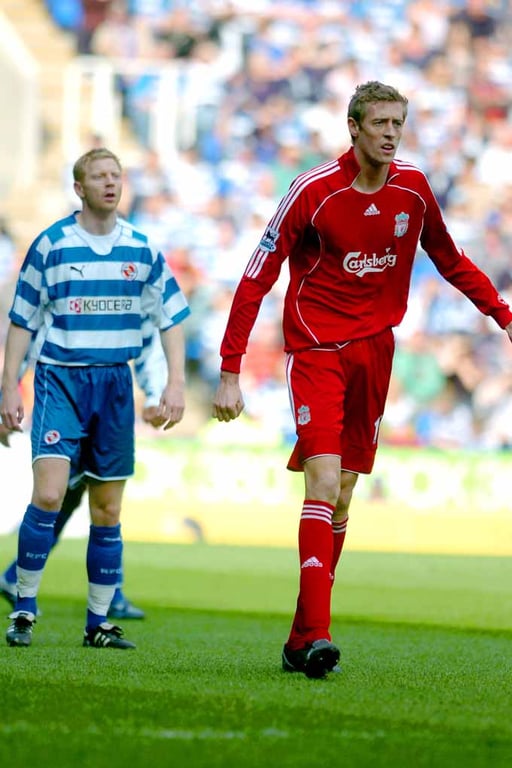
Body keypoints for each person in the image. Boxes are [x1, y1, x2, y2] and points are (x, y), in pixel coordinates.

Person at [212, 81, 512, 679]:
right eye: (379, 122)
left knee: (345, 491)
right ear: (353, 126)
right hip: (317, 348)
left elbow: (449, 260)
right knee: (323, 478)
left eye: (398, 122)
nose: (391, 133)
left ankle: (300, 637)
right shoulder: (313, 191)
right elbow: (256, 276)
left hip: (376, 352)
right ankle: (320, 634)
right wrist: (229, 369)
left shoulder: (415, 190)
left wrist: (503, 315)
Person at [0, 147, 190, 650]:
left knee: (107, 509)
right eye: (98, 177)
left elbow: (171, 317)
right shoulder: (51, 245)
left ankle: (98, 624)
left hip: (113, 383)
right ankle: (24, 608)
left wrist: (174, 383)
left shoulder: (143, 250)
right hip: (60, 379)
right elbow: (22, 322)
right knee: (49, 493)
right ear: (79, 188)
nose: (110, 183)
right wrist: (6, 387)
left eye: (116, 175)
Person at [0, 324, 169, 620]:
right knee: (80, 497)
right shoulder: (62, 283)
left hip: (99, 394)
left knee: (78, 497)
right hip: (65, 393)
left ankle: (17, 577)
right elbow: (26, 328)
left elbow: (145, 326)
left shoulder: (119, 290)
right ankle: (109, 593)